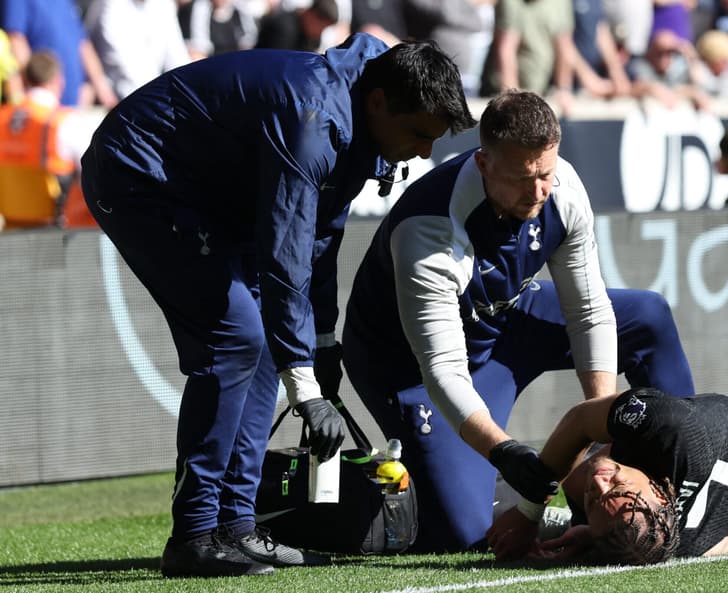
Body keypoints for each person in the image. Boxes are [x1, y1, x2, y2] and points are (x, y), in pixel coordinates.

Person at [80, 33, 476, 578]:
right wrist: (305, 387)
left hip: (205, 192)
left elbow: (321, 240)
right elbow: (288, 252)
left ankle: (237, 527)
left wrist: (320, 342)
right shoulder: (312, 120)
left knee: (265, 338)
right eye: (417, 134)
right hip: (140, 173)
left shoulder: (363, 106)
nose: (425, 152)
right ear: (380, 103)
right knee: (235, 337)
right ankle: (195, 535)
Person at [342, 90, 695, 553]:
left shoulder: (560, 185)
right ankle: (512, 498)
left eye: (545, 173)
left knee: (647, 316)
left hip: (505, 320)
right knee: (463, 535)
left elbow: (588, 312)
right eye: (521, 178)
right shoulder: (429, 229)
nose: (537, 192)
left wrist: (601, 419)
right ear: (484, 164)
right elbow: (443, 370)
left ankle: (683, 482)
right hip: (413, 370)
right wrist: (504, 452)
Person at [488, 387, 728, 563]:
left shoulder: (670, 545)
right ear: (662, 491)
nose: (600, 481)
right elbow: (581, 419)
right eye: (617, 486)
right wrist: (530, 510)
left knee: (583, 488)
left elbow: (726, 542)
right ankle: (558, 514)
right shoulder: (669, 425)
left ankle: (571, 522)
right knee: (578, 477)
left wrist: (587, 539)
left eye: (596, 500)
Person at [0, 51, 99, 229]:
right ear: (58, 81)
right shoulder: (63, 122)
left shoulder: (2, 118)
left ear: (25, 80)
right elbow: (94, 170)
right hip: (57, 233)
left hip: (10, 230)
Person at [2, 0, 118, 108]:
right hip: (42, 105)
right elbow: (16, 39)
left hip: (74, 105)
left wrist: (104, 92)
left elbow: (82, 43)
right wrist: (32, 88)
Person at [84, 0, 193, 100]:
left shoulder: (165, 5)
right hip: (116, 98)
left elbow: (177, 58)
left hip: (152, 96)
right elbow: (122, 61)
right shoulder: (109, 4)